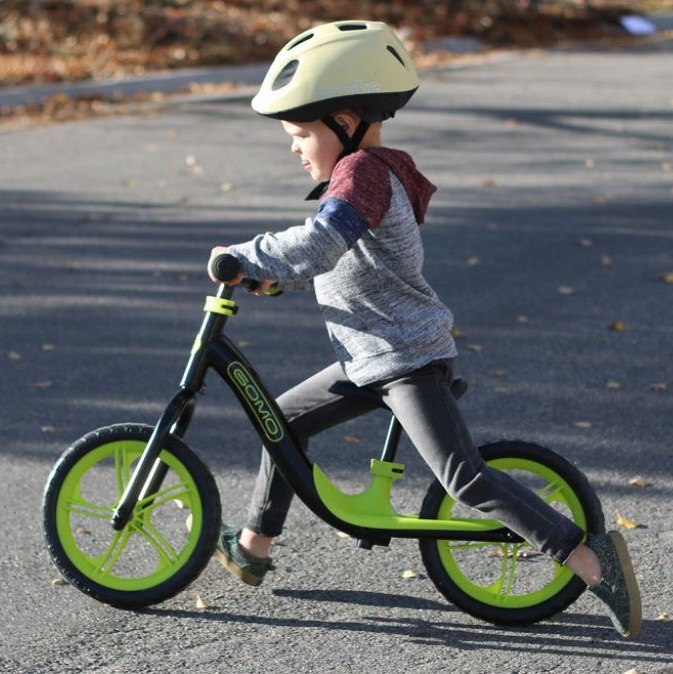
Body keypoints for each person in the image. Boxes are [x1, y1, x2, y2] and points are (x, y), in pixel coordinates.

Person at [205, 20, 641, 637]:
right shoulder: (361, 177)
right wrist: (270, 281)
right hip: (369, 359)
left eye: (302, 132)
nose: (294, 146)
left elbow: (320, 243)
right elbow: (337, 260)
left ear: (346, 118)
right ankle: (253, 546)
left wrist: (248, 255)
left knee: (462, 477)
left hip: (406, 359)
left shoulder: (363, 175)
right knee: (282, 421)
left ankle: (590, 560)